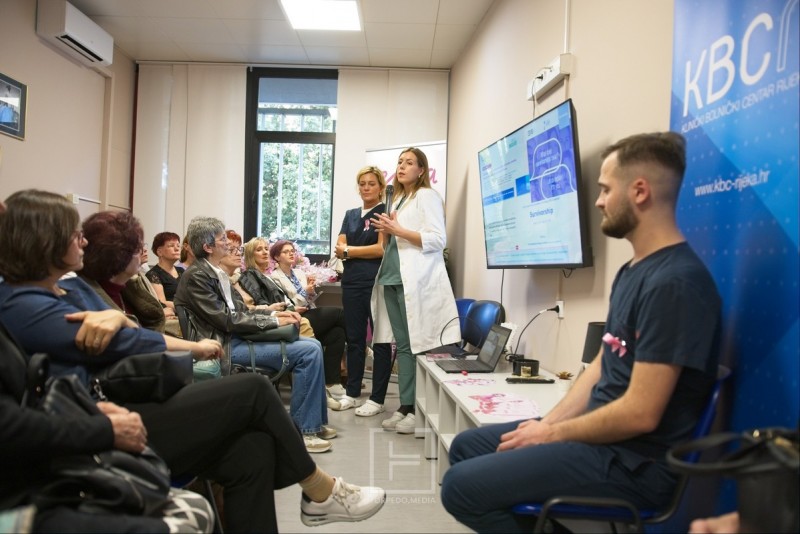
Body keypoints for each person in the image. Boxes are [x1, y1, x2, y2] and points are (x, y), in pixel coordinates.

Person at [0, 189, 386, 532]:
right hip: (109, 412)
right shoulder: (24, 303)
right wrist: (143, 331)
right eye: (73, 234)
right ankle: (319, 488)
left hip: (125, 396)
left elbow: (129, 330)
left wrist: (120, 322)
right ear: (47, 241)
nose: (81, 241)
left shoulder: (65, 289)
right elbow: (130, 339)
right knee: (256, 387)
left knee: (252, 450)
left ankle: (317, 483)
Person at [439, 132, 722, 532]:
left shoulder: (675, 283)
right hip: (605, 442)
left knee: (459, 488)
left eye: (606, 189)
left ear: (640, 191)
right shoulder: (634, 271)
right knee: (468, 445)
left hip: (636, 463)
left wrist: (553, 435)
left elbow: (641, 413)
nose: (599, 201)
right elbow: (603, 364)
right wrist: (548, 424)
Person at [174, 217, 337, 452]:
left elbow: (239, 311)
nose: (229, 244)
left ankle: (314, 423)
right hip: (223, 347)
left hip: (235, 338)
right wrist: (273, 320)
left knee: (313, 345)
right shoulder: (197, 276)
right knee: (308, 351)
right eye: (222, 239)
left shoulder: (216, 272)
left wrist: (275, 315)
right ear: (208, 247)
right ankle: (304, 431)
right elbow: (227, 320)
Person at [369, 147, 460, 433]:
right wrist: (387, 230)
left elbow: (438, 239)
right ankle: (406, 405)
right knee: (404, 346)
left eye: (409, 162)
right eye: (399, 162)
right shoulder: (397, 199)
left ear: (421, 170)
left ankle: (418, 409)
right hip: (391, 278)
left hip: (416, 281)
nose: (402, 166)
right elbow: (391, 243)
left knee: (418, 344)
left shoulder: (427, 196)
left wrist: (399, 230)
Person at [332, 165, 394, 416]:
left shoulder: (384, 212)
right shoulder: (351, 214)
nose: (366, 188)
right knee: (354, 340)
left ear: (380, 187)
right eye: (362, 184)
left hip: (375, 282)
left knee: (380, 340)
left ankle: (377, 399)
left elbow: (380, 249)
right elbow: (339, 247)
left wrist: (350, 251)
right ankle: (353, 393)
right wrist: (350, 251)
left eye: (371, 183)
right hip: (351, 283)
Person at [269, 240, 348, 402]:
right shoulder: (274, 278)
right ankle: (361, 345)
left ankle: (331, 382)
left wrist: (310, 291)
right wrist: (305, 292)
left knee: (337, 334)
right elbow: (287, 305)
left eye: (292, 251)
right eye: (286, 252)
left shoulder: (298, 273)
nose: (291, 254)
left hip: (308, 311)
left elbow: (308, 299)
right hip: (294, 318)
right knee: (339, 314)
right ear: (276, 257)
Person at [146, 231, 184, 312]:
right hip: (172, 315)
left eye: (178, 245)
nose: (177, 249)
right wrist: (188, 306)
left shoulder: (181, 271)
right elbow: (161, 302)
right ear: (159, 252)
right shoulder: (153, 274)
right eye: (171, 246)